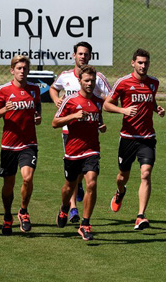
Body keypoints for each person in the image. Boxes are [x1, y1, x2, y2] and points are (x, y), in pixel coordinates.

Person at [49, 41, 111, 223]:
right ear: (74, 55)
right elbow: (54, 89)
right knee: (71, 181)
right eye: (80, 54)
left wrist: (99, 118)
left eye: (86, 54)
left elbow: (108, 99)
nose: (83, 57)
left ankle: (83, 221)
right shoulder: (66, 77)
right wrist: (57, 101)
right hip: (70, 132)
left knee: (91, 179)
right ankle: (69, 207)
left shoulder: (98, 78)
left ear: (90, 56)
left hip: (91, 137)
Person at [103, 49, 165, 230]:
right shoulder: (123, 83)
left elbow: (150, 101)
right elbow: (107, 105)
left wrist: (156, 109)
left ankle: (140, 216)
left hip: (147, 138)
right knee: (123, 177)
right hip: (128, 137)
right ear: (133, 63)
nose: (143, 66)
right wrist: (123, 110)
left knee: (145, 174)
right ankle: (120, 191)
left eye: (146, 63)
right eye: (140, 63)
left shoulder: (154, 83)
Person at [0, 55, 42, 235]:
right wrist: (5, 109)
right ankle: (7, 215)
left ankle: (23, 211)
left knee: (27, 178)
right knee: (8, 184)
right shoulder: (3, 90)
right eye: (19, 68)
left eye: (25, 68)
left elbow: (37, 110)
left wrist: (38, 117)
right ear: (12, 70)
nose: (22, 71)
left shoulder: (34, 89)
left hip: (29, 143)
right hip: (9, 145)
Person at [53, 65, 106, 241]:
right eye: (87, 80)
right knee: (69, 187)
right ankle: (64, 207)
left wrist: (101, 126)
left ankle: (85, 224)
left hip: (92, 150)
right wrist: (73, 116)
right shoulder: (70, 101)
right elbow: (55, 122)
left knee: (91, 183)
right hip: (73, 151)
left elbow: (98, 120)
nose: (90, 83)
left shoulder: (99, 102)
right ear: (79, 81)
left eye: (92, 81)